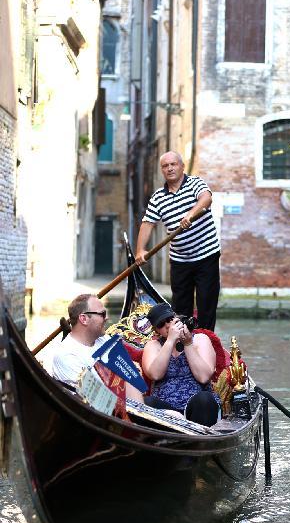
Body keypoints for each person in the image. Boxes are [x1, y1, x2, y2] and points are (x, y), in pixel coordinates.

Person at [135, 151, 221, 331]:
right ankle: (182, 344)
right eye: (165, 166)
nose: (170, 168)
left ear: (182, 166)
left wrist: (191, 214)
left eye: (173, 164)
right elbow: (147, 223)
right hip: (180, 260)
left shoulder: (195, 183)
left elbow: (206, 198)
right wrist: (140, 250)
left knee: (206, 303)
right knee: (181, 308)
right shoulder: (158, 197)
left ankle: (206, 341)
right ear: (162, 171)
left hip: (206, 255)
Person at [51, 294, 144, 401]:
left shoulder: (105, 340)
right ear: (84, 319)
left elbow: (132, 377)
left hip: (132, 407)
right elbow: (97, 400)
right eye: (102, 314)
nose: (107, 318)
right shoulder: (66, 356)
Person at [141, 303, 221, 427]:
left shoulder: (200, 339)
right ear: (156, 330)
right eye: (161, 324)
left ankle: (200, 441)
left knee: (204, 399)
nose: (168, 326)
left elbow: (204, 377)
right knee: (146, 402)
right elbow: (155, 375)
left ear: (177, 318)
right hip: (166, 412)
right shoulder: (153, 346)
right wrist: (170, 341)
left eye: (170, 320)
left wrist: (187, 344)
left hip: (197, 405)